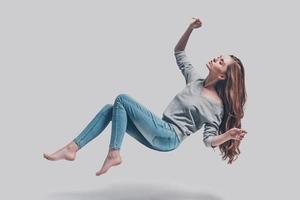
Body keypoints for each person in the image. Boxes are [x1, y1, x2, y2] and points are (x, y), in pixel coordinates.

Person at [43, 17, 247, 176]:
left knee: (122, 99)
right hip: (160, 129)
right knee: (110, 109)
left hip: (170, 137)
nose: (217, 58)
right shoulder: (195, 80)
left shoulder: (216, 105)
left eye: (221, 62)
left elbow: (208, 140)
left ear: (222, 76)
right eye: (219, 56)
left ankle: (114, 153)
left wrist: (228, 136)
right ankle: (72, 148)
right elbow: (179, 52)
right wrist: (190, 29)